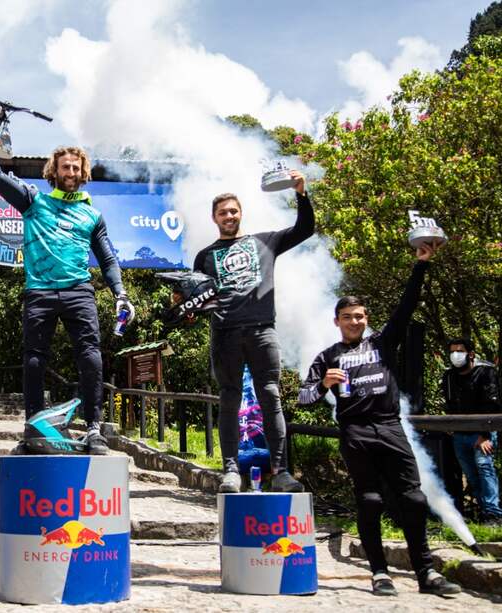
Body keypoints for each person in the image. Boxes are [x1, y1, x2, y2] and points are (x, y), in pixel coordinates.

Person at [298, 241, 461, 596]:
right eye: (347, 317)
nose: (354, 321)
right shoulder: (327, 356)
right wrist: (324, 384)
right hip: (355, 432)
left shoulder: (383, 343)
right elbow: (304, 399)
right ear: (337, 322)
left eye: (359, 316)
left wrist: (421, 266)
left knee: (414, 499)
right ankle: (379, 573)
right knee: (369, 500)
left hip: (390, 426)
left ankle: (426, 573)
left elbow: (406, 307)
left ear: (366, 319)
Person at [0, 143, 132, 455]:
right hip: (40, 291)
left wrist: (121, 294)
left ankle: (93, 429)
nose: (71, 173)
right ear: (54, 170)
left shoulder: (92, 215)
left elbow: (107, 260)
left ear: (83, 172)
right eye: (66, 167)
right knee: (34, 361)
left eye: (76, 168)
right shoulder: (33, 201)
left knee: (90, 356)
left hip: (79, 291)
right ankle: (34, 429)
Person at [193, 174, 311, 493]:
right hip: (225, 335)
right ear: (214, 218)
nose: (229, 216)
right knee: (229, 398)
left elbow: (305, 230)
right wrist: (186, 307)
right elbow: (197, 298)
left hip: (262, 331)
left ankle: (281, 471)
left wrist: (301, 194)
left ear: (240, 213)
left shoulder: (265, 242)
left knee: (270, 395)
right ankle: (230, 470)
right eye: (222, 213)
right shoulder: (204, 257)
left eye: (233, 211)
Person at [442, 338, 502, 523]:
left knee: (485, 468)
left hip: (483, 432)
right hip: (460, 433)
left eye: (459, 351)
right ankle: (483, 511)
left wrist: (484, 435)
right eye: (452, 351)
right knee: (470, 474)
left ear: (471, 354)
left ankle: (494, 514)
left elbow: (492, 404)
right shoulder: (450, 377)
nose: (455, 355)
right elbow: (450, 403)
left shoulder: (486, 372)